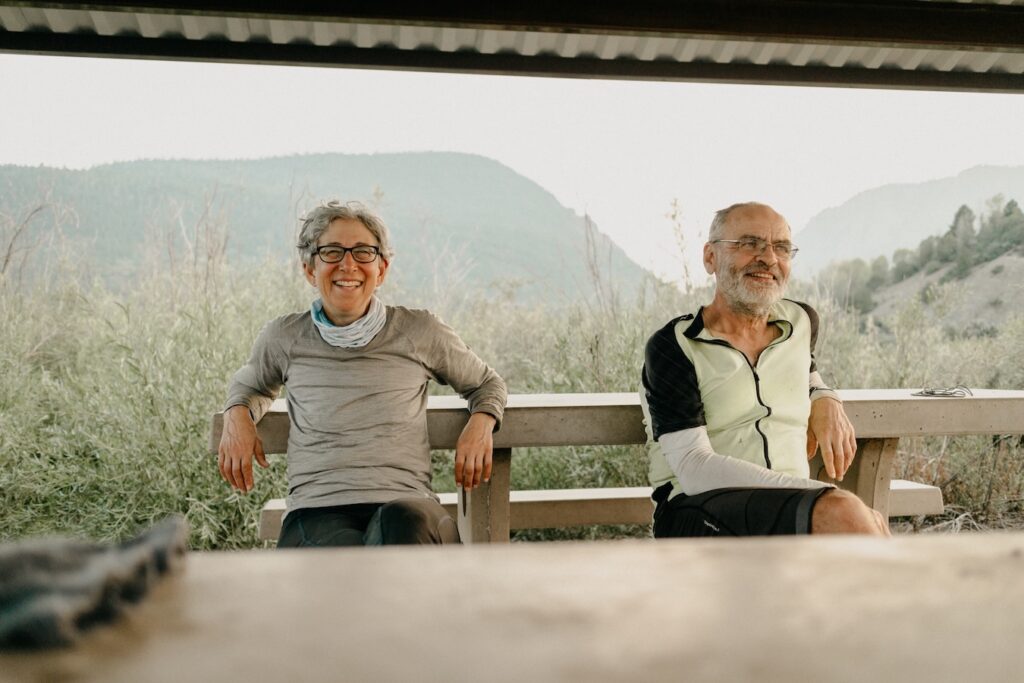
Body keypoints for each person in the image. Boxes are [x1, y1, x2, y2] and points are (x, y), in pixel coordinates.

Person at [218, 200, 506, 547]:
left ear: (382, 268)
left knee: (400, 524)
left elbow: (487, 383)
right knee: (336, 555)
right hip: (317, 509)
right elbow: (250, 384)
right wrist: (237, 415)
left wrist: (481, 423)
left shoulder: (419, 331)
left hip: (408, 510)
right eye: (332, 251)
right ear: (310, 269)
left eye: (363, 252)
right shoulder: (284, 338)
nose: (348, 264)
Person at [641, 201, 889, 537]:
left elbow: (807, 374)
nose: (769, 258)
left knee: (851, 527)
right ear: (710, 257)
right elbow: (693, 468)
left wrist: (825, 397)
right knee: (846, 516)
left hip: (791, 507)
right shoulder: (673, 347)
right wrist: (820, 495)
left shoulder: (801, 322)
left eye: (781, 248)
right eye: (749, 244)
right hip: (697, 508)